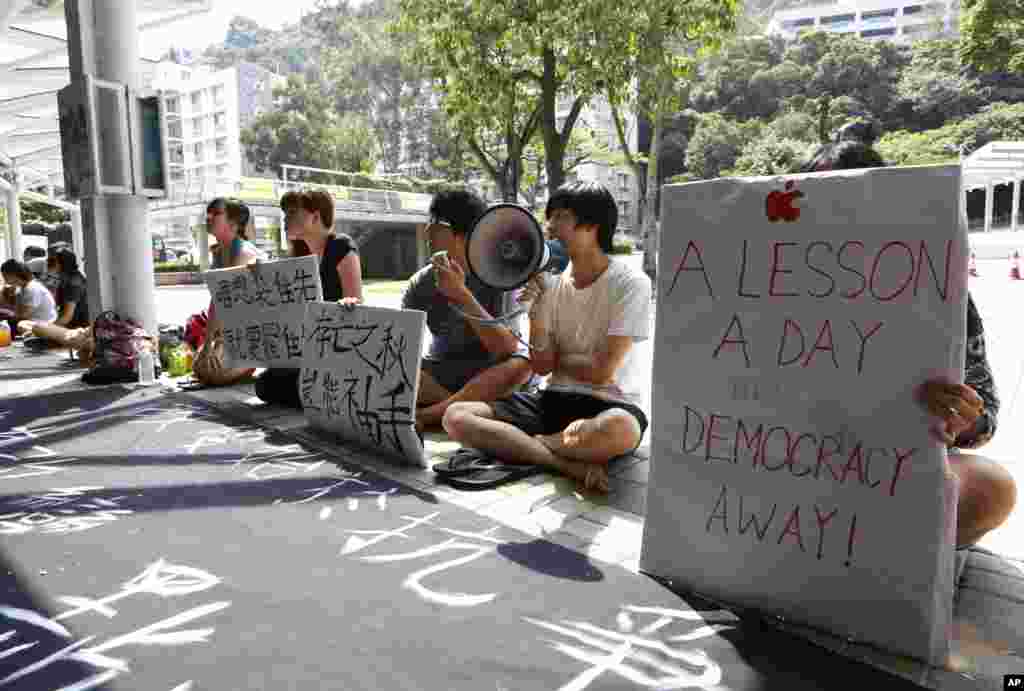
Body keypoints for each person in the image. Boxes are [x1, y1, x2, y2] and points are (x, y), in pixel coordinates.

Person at [801, 140, 1016, 548]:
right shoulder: (760, 284)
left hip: (892, 465)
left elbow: (984, 412)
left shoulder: (939, 284)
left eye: (851, 201)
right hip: (781, 458)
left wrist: (962, 414)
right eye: (820, 200)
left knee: (991, 489)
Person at [441, 182, 652, 492]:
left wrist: (560, 363)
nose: (550, 225)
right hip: (552, 400)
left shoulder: (631, 283)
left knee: (619, 429)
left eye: (562, 216)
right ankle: (563, 462)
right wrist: (537, 316)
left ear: (592, 225)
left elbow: (601, 371)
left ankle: (529, 446)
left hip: (610, 405)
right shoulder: (551, 285)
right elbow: (541, 366)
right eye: (549, 215)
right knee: (456, 416)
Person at [401, 188, 535, 433]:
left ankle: (430, 415)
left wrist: (461, 295)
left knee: (522, 365)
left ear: (463, 234)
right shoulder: (421, 283)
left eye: (435, 224)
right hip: (444, 371)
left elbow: (506, 349)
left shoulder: (502, 274)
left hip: (491, 371)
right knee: (398, 370)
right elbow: (399, 348)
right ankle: (457, 407)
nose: (427, 231)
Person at [253, 189, 363, 408]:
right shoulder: (299, 257)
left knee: (284, 385)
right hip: (307, 350)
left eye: (293, 212)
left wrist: (347, 304)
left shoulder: (340, 246)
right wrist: (258, 276)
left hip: (337, 348)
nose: (286, 219)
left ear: (315, 216)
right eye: (285, 213)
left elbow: (356, 300)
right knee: (265, 384)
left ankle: (330, 391)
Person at [193, 198, 267, 387]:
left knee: (210, 371)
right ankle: (235, 364)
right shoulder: (219, 253)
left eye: (216, 214)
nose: (209, 217)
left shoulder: (243, 252)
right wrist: (210, 342)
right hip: (233, 332)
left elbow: (223, 300)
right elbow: (215, 301)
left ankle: (249, 363)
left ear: (233, 223)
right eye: (208, 214)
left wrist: (210, 343)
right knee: (200, 367)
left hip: (257, 334)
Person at [16, 247, 90, 350]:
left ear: (61, 264)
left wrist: (47, 328)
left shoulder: (74, 283)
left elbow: (66, 317)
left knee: (37, 327)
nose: (47, 264)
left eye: (51, 262)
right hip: (64, 325)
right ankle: (45, 338)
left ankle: (47, 339)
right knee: (24, 324)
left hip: (73, 328)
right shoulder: (64, 280)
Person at [1, 259, 57, 335]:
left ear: (13, 274)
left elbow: (23, 315)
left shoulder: (31, 288)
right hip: (33, 322)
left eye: (5, 275)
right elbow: (17, 311)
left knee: (8, 323)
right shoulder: (22, 288)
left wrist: (7, 312)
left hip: (44, 324)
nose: (4, 278)